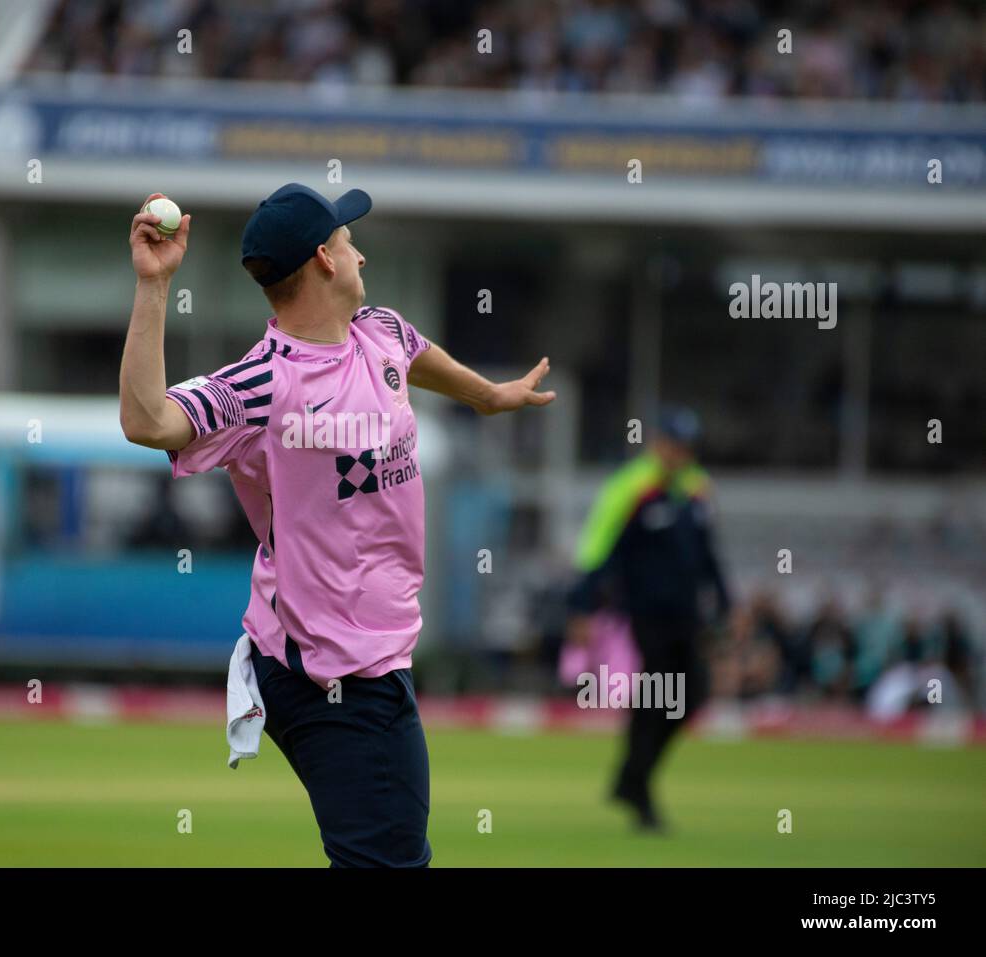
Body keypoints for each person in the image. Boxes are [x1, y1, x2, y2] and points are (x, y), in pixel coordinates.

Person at [119, 184, 555, 866]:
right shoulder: (263, 384)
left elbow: (413, 353)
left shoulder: (377, 329)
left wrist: (489, 396)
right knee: (388, 860)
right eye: (350, 242)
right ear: (324, 259)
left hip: (370, 658)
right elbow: (147, 422)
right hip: (329, 671)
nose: (363, 254)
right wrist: (154, 286)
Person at [566, 407, 731, 831]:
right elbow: (597, 551)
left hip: (687, 614)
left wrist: (727, 603)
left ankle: (632, 778)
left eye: (686, 446)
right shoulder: (629, 488)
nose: (680, 453)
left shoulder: (696, 489)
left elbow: (708, 553)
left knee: (689, 695)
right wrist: (582, 607)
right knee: (660, 696)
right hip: (645, 614)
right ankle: (637, 787)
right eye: (674, 444)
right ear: (657, 443)